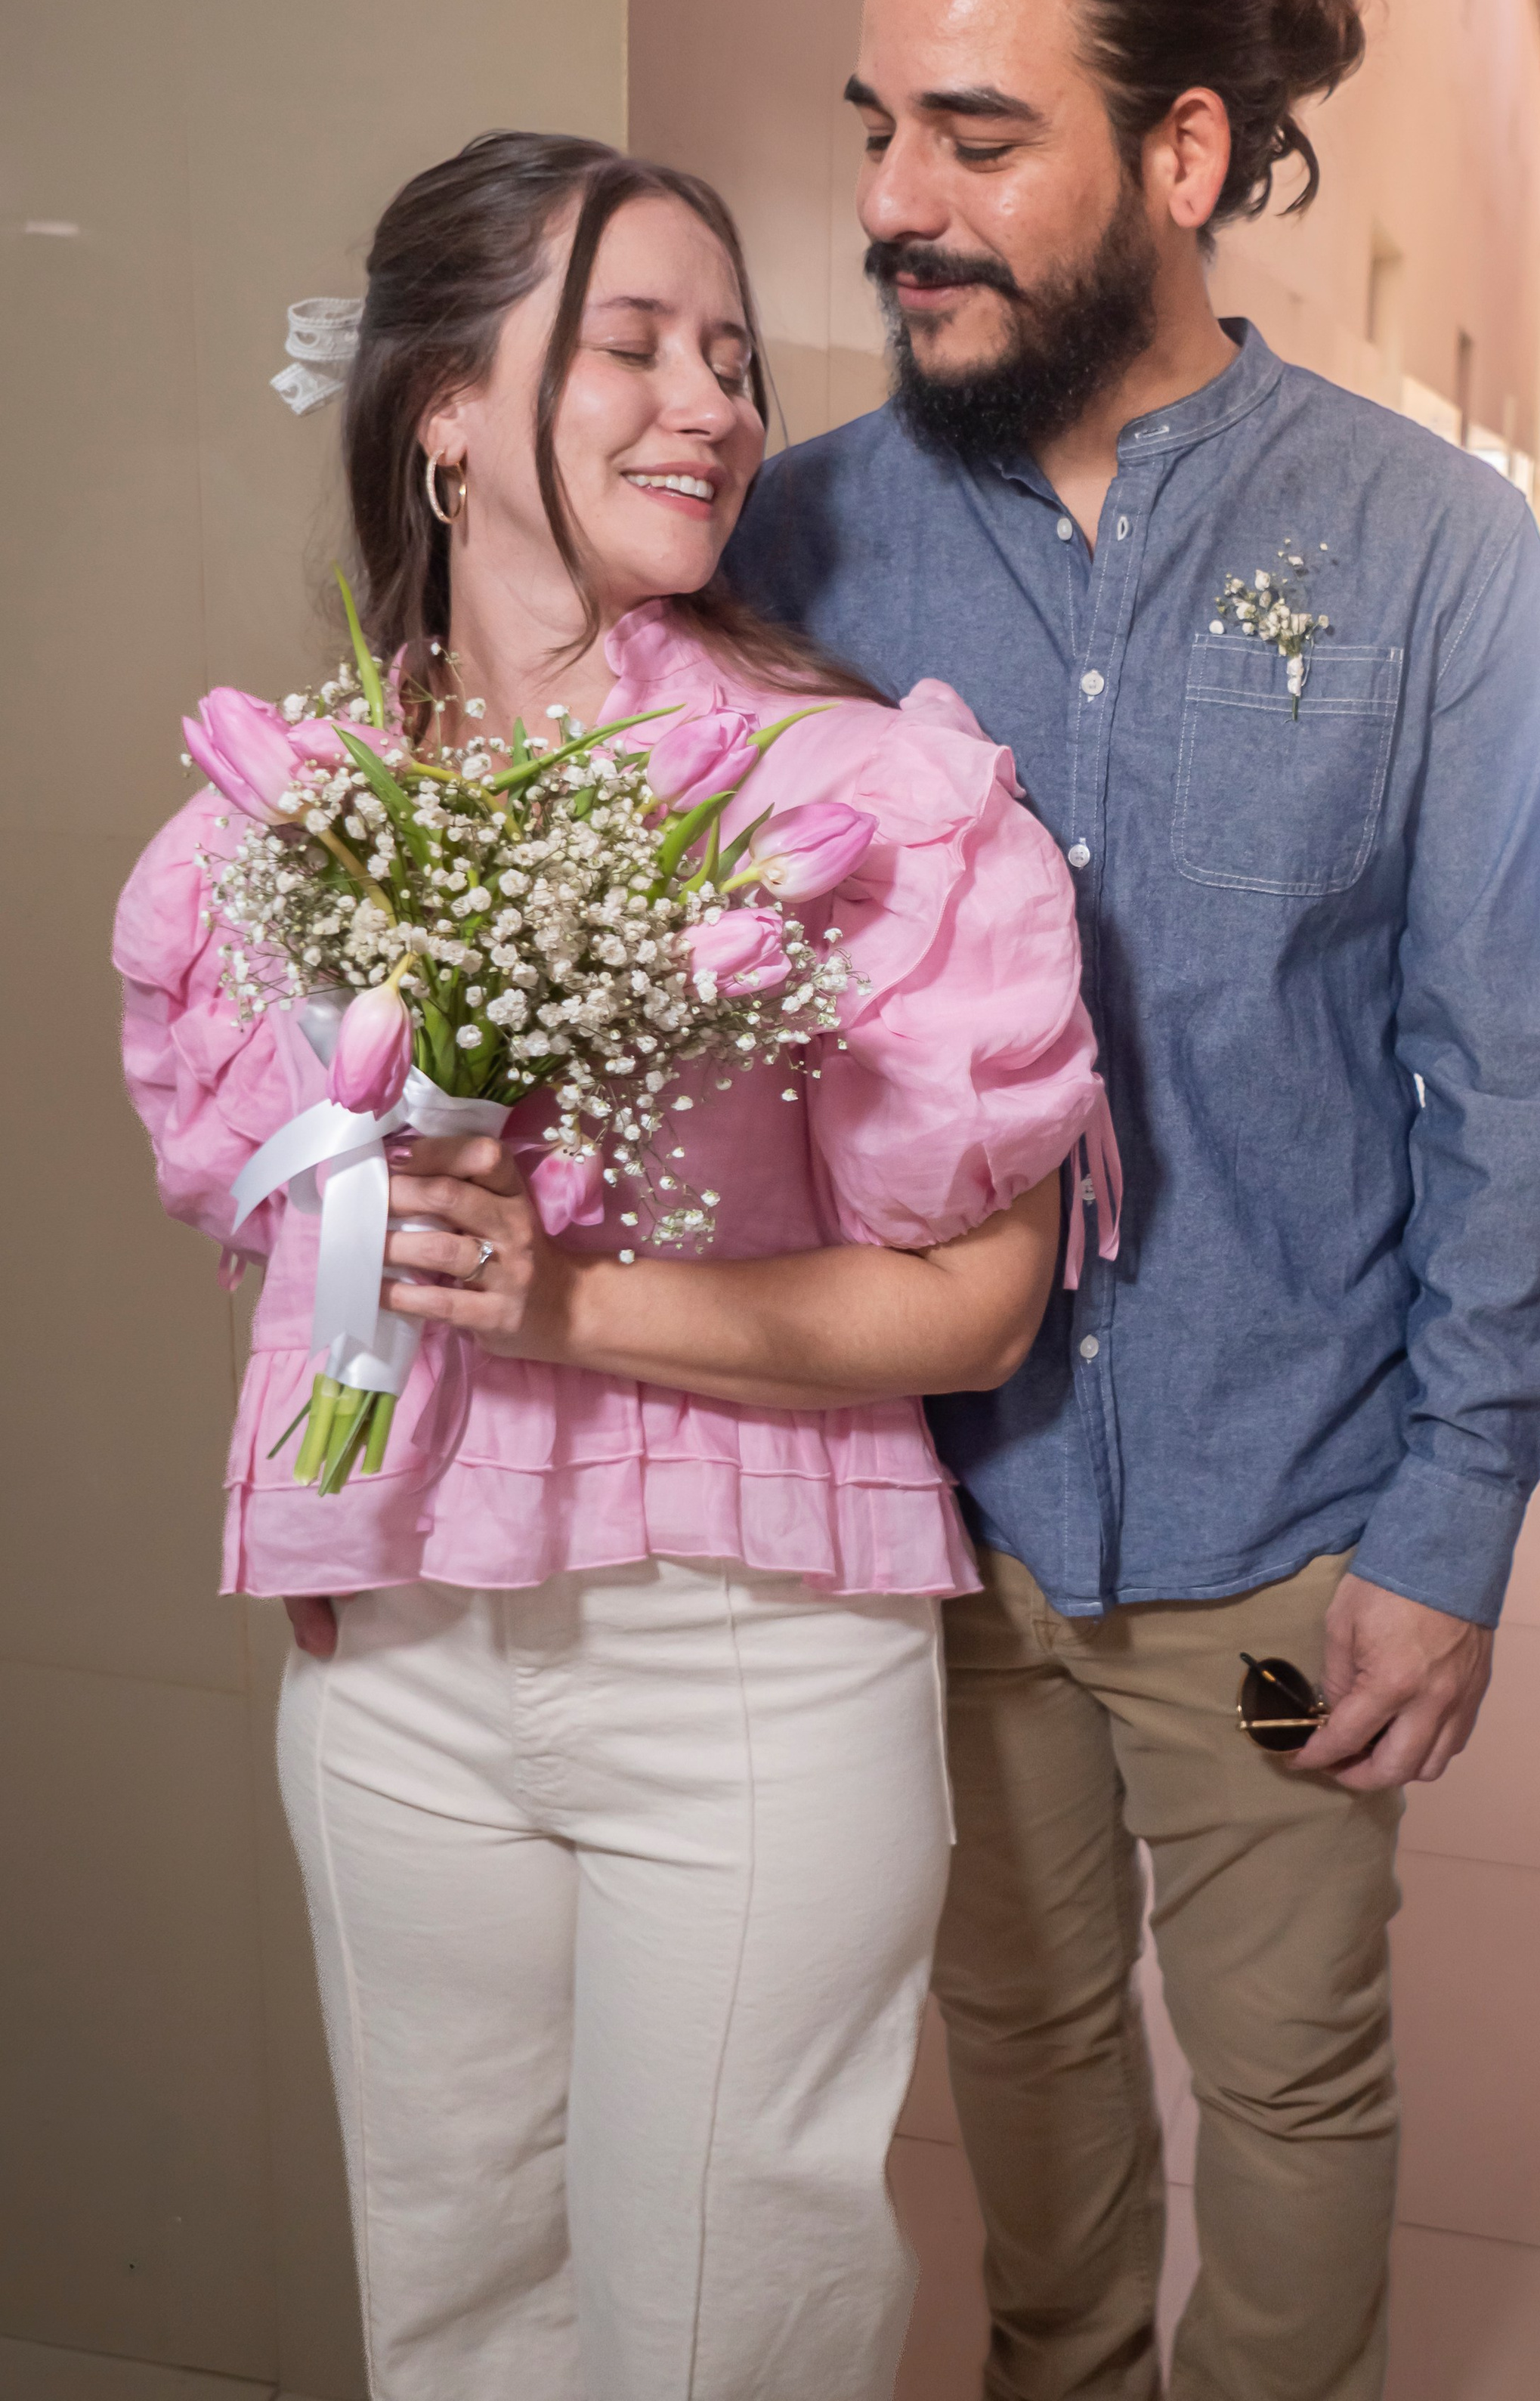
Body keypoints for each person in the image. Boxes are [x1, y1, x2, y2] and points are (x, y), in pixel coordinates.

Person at [726, 0, 1540, 2401]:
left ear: (1189, 158)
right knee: (1012, 2055)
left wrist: (1454, 1519)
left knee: (1291, 2073)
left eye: (977, 139)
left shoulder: (1430, 548)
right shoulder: (808, 537)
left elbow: (1529, 1059)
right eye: (877, 123)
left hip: (1287, 1508)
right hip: (943, 1509)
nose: (898, 203)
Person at [113, 130, 1115, 2401]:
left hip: (742, 1661)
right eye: (635, 345)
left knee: (726, 2319)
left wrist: (567, 1303)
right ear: (444, 407)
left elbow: (972, 1298)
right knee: (455, 2285)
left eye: (737, 360)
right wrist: (343, 1418)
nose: (712, 407)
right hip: (398, 1667)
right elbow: (283, 1207)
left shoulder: (847, 800)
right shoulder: (286, 814)